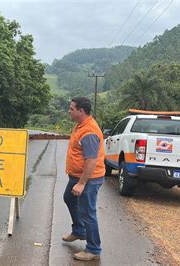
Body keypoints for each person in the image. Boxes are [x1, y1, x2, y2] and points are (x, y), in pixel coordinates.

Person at [63, 96, 105, 261]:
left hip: (89, 179)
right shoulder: (80, 126)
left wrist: (81, 183)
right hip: (76, 176)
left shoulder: (89, 132)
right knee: (69, 198)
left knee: (88, 212)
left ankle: (93, 249)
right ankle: (79, 231)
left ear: (81, 111)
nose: (69, 111)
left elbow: (91, 160)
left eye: (72, 108)